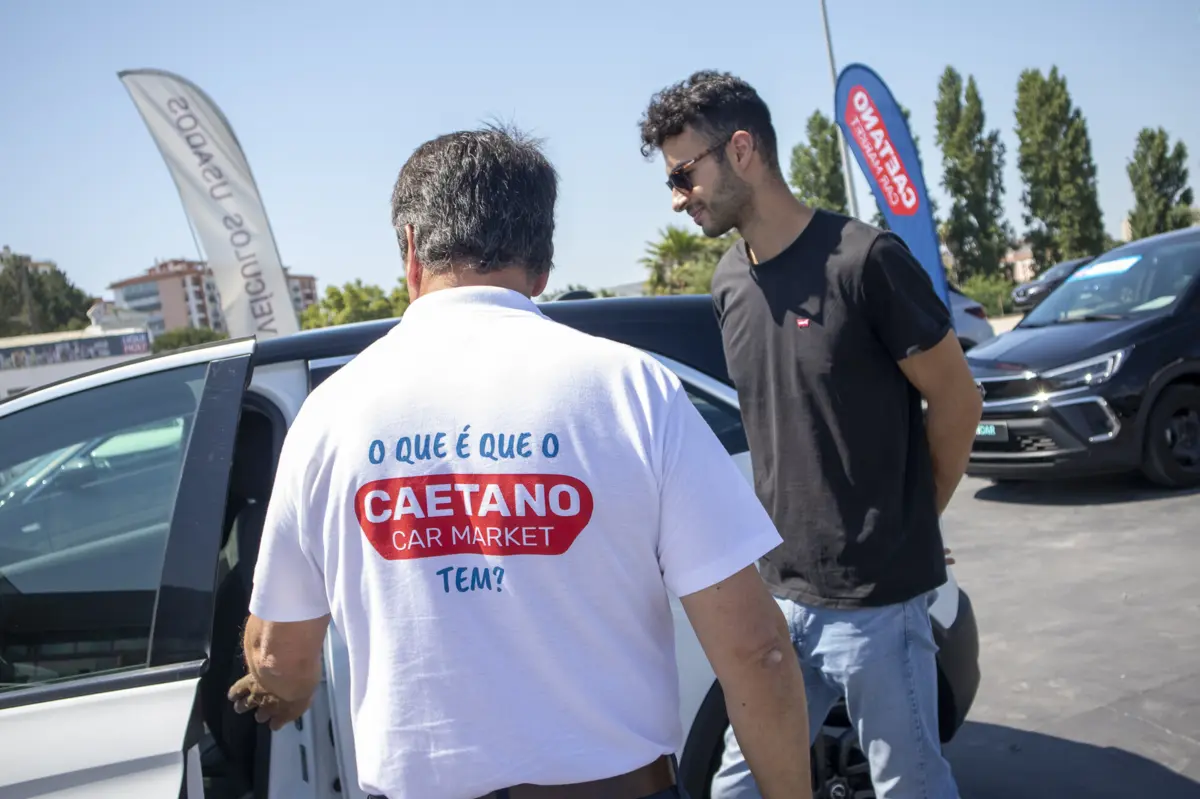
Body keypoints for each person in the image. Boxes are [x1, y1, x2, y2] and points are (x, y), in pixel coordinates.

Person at [227, 124, 814, 799]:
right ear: (543, 266)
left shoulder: (329, 415)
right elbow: (756, 648)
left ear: (412, 250)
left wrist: (277, 685)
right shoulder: (630, 388)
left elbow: (281, 658)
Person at [637, 71, 983, 799]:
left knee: (909, 786)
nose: (677, 197)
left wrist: (914, 522)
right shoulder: (729, 281)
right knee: (738, 786)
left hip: (878, 605)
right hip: (778, 600)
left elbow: (957, 401)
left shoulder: (866, 260)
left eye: (683, 173)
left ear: (741, 149)